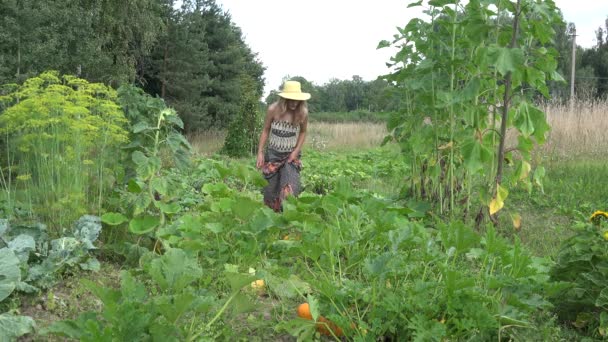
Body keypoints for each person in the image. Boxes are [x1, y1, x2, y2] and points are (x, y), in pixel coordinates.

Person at [256, 80, 310, 212]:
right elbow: (265, 130)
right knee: (270, 192)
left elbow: (303, 132)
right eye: (290, 99)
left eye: (296, 100)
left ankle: (287, 217)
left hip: (290, 157)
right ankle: (273, 219)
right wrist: (260, 152)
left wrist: (296, 151)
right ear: (283, 98)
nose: (293, 103)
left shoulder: (303, 112)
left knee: (290, 190)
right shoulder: (273, 109)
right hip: (273, 155)